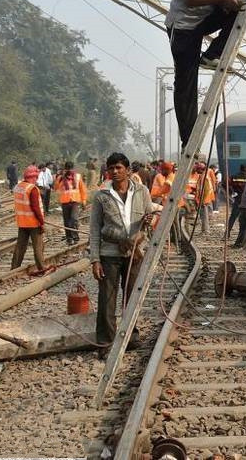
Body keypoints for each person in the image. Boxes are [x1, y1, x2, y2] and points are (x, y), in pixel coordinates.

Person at [165, 0, 242, 151]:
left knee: (241, 10)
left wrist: (230, 1)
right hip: (184, 26)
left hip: (204, 19)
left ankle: (211, 55)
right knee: (187, 83)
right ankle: (189, 139)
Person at [89, 152, 155, 357]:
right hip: (109, 253)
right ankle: (105, 344)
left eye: (118, 167)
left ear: (127, 170)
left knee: (132, 297)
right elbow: (94, 229)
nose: (115, 172)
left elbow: (149, 217)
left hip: (135, 253)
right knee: (107, 299)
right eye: (111, 168)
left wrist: (145, 225)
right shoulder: (101, 196)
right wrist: (95, 260)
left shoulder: (142, 191)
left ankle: (130, 336)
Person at [11, 165, 48, 272]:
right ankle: (41, 267)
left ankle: (14, 268)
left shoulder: (18, 187)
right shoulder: (32, 189)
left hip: (22, 222)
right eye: (36, 177)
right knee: (38, 246)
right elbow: (36, 208)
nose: (36, 179)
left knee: (20, 246)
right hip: (33, 223)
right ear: (33, 177)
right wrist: (41, 223)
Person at [54, 161, 88, 244]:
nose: (69, 170)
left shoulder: (78, 177)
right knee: (66, 221)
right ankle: (69, 238)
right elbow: (55, 188)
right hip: (65, 202)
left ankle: (75, 237)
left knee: (74, 219)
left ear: (73, 169)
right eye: (67, 169)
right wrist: (59, 177)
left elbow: (82, 189)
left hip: (75, 201)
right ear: (65, 169)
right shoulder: (61, 178)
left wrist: (84, 201)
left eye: (70, 168)